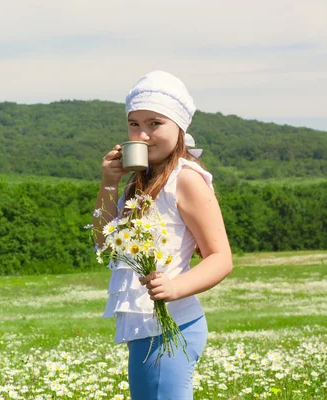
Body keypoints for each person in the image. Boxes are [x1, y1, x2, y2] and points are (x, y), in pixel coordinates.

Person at [93, 71, 233, 399]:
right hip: (146, 329)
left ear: (179, 127)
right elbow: (104, 243)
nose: (141, 135)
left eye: (155, 124)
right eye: (134, 124)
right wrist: (108, 182)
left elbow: (221, 258)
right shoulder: (136, 180)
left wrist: (173, 287)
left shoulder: (185, 178)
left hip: (172, 329)